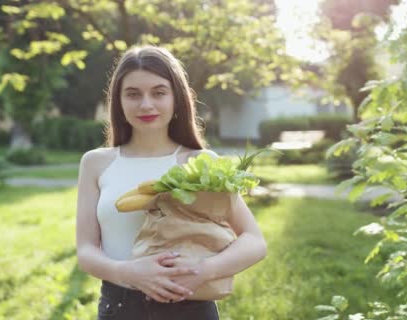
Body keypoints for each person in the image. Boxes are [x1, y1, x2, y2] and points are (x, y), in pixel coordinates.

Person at [76, 46, 267, 320]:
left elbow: (254, 242)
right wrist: (126, 272)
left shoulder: (201, 162)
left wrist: (203, 270)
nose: (146, 104)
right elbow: (86, 251)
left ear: (176, 98)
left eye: (158, 92)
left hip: (191, 306)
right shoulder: (95, 163)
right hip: (120, 308)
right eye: (133, 94)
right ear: (117, 101)